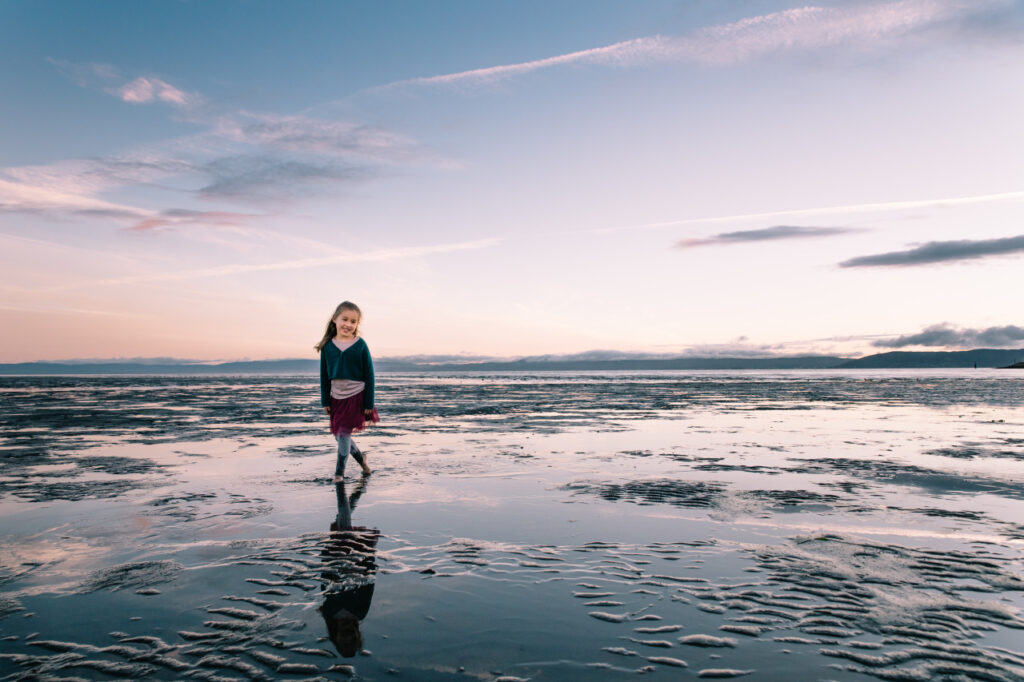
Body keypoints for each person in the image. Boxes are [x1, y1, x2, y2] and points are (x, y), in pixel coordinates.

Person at [316, 301, 379, 482]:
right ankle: (363, 462)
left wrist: (368, 403)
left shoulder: (360, 345)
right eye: (345, 319)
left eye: (353, 322)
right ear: (335, 319)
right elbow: (324, 375)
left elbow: (370, 375)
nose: (348, 324)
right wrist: (325, 401)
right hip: (336, 399)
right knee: (340, 436)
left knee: (343, 434)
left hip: (356, 397)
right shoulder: (328, 347)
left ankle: (338, 474)